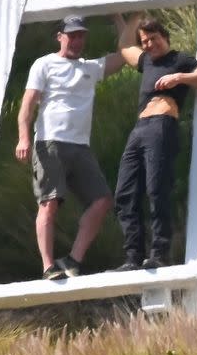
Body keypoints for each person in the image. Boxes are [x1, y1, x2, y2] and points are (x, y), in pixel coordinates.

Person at [16, 15, 125, 280]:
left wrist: (119, 15)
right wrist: (23, 137)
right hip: (50, 142)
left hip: (80, 147)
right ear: (60, 36)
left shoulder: (90, 67)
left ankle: (73, 259)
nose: (77, 40)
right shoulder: (45, 64)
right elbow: (28, 103)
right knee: (50, 202)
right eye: (72, 35)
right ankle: (48, 266)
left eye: (81, 35)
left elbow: (124, 55)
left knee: (102, 201)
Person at [111, 14, 197, 271]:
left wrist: (179, 78)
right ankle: (133, 257)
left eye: (153, 39)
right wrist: (134, 16)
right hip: (138, 129)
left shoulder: (180, 59)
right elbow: (125, 46)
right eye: (145, 41)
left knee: (156, 189)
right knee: (124, 193)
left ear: (165, 37)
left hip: (161, 125)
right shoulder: (146, 61)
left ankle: (160, 252)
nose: (149, 45)